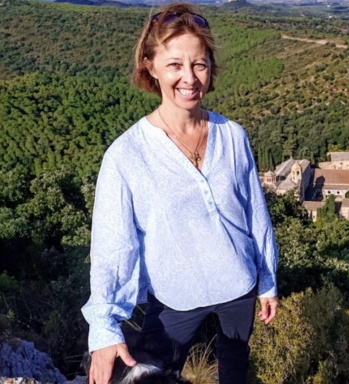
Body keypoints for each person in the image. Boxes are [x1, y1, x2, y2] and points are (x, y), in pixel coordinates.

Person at [81, 3, 278, 383]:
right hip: (176, 297)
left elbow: (255, 214)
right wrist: (104, 327)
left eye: (199, 64)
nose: (189, 77)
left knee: (235, 364)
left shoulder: (233, 136)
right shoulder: (127, 155)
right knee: (153, 372)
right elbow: (113, 248)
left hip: (239, 285)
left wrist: (267, 281)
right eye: (174, 64)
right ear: (150, 66)